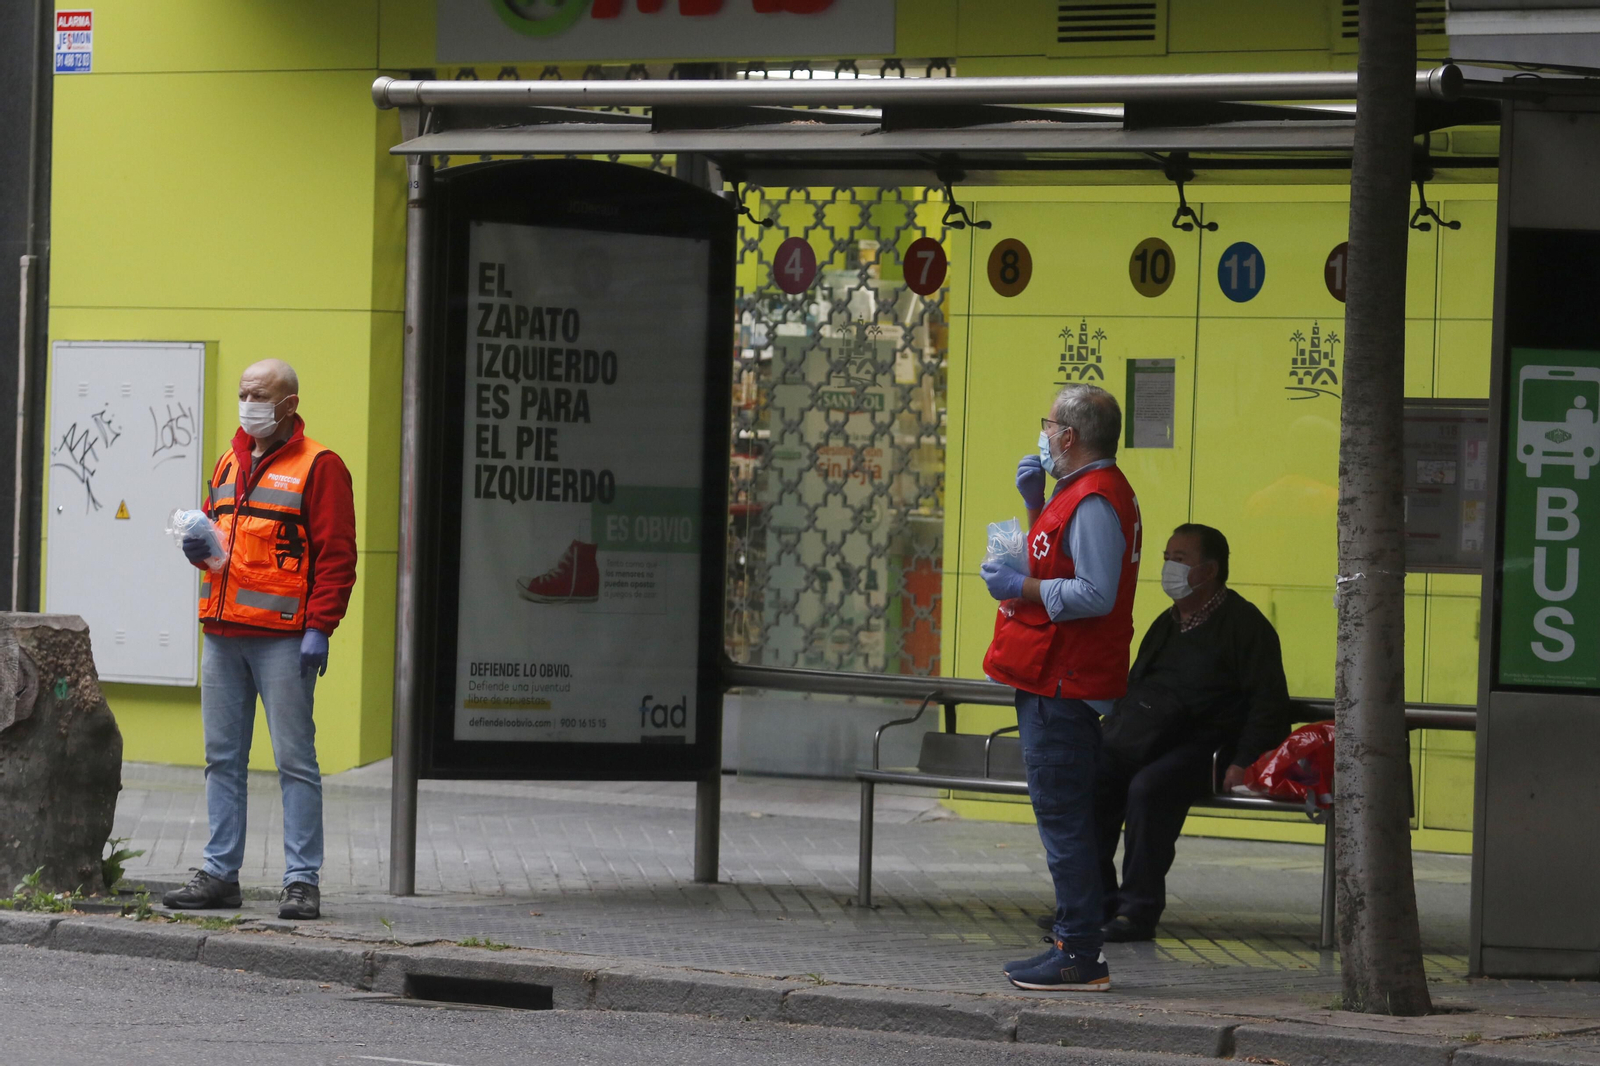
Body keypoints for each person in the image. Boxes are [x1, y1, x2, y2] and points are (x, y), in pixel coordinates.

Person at [162, 359, 357, 921]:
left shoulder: (319, 465)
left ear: (289, 404)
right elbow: (224, 534)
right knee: (222, 759)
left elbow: (337, 555)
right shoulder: (229, 459)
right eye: (244, 392)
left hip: (283, 638)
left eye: (260, 394)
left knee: (295, 761)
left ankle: (301, 881)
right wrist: (199, 545)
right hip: (224, 634)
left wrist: (320, 626)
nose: (249, 403)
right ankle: (220, 873)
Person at [981, 383, 1142, 993]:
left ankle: (1078, 952)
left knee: (1064, 821)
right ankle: (1074, 946)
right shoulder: (1076, 493)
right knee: (1064, 818)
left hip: (1065, 680)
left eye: (1048, 425)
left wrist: (1016, 588)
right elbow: (1056, 563)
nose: (1044, 434)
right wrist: (1034, 505)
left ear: (1069, 437)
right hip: (1055, 675)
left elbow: (1094, 594)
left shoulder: (1098, 499)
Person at [1094, 524, 1290, 943]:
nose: (1168, 567)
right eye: (1167, 556)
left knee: (1149, 790)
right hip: (1145, 735)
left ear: (1209, 570)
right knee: (1092, 776)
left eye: (1179, 559)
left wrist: (1244, 760)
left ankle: (1137, 911)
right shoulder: (1165, 625)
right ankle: (1090, 902)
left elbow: (1268, 703)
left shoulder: (1244, 626)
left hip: (1204, 747)